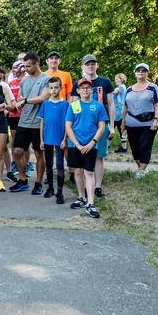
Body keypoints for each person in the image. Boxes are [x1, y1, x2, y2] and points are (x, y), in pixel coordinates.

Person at [70, 54, 115, 199]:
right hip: (82, 127)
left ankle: (97, 187)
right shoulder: (78, 84)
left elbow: (111, 104)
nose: (90, 66)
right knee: (81, 157)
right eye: (87, 64)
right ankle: (83, 189)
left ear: (97, 65)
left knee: (99, 156)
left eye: (93, 64)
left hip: (101, 124)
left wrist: (112, 126)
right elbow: (73, 106)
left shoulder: (105, 82)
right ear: (82, 67)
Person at [65, 78, 108, 219]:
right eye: (82, 88)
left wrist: (92, 143)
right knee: (77, 171)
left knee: (89, 172)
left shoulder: (98, 106)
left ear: (91, 90)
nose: (85, 90)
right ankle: (81, 197)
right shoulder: (73, 106)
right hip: (75, 144)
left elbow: (101, 127)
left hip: (91, 144)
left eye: (87, 88)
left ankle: (91, 203)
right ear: (77, 90)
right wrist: (77, 144)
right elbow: (68, 126)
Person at [10, 52, 51, 194]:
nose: (25, 69)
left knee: (39, 153)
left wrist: (26, 100)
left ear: (37, 64)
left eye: (28, 66)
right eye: (24, 66)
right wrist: (20, 102)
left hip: (39, 123)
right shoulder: (24, 81)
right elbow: (21, 97)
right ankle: (22, 180)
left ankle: (38, 183)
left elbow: (45, 97)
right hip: (24, 120)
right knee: (17, 151)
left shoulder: (46, 79)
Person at [124, 63, 158, 178]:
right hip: (131, 123)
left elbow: (157, 104)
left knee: (145, 146)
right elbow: (125, 106)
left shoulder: (152, 87)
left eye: (143, 71)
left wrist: (156, 120)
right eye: (139, 70)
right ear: (135, 72)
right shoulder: (129, 89)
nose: (141, 72)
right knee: (135, 148)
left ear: (147, 73)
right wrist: (122, 123)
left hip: (147, 123)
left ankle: (141, 171)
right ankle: (141, 168)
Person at [38, 77, 70, 204]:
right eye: (51, 88)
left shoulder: (65, 104)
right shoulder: (45, 104)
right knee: (48, 164)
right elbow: (42, 122)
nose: (53, 90)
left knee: (60, 165)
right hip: (47, 139)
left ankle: (60, 192)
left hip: (59, 139)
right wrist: (41, 139)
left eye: (56, 87)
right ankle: (50, 187)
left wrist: (65, 139)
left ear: (61, 88)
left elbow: (68, 123)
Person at [113, 72, 128, 153]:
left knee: (118, 129)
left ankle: (124, 147)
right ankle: (124, 147)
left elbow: (115, 92)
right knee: (120, 129)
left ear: (121, 79)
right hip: (116, 112)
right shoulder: (120, 87)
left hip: (119, 113)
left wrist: (107, 92)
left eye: (117, 78)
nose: (115, 80)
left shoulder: (121, 87)